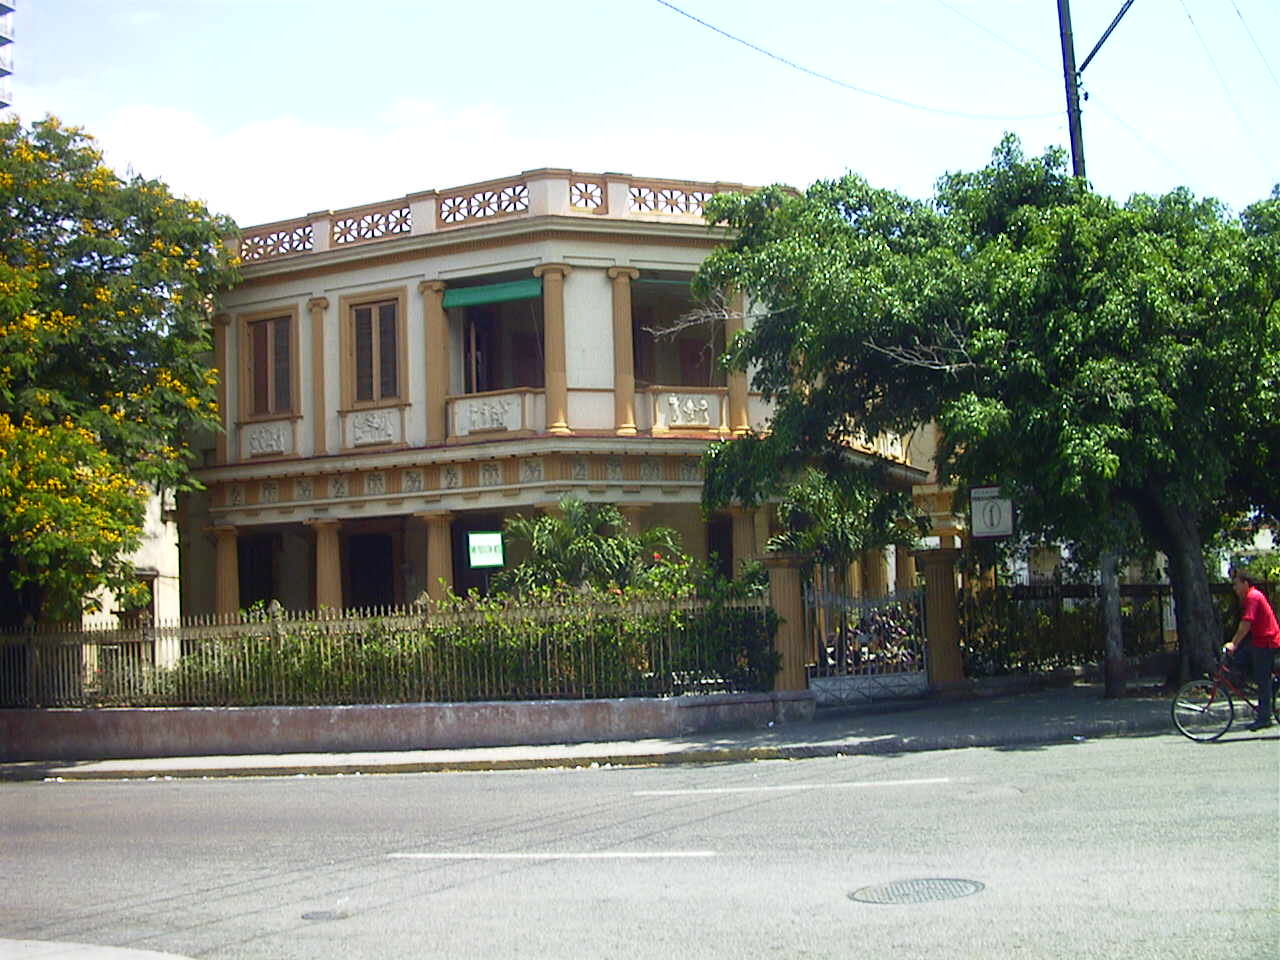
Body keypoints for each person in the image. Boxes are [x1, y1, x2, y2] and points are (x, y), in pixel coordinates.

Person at [1224, 566, 1280, 731]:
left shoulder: (1253, 597)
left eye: (1236, 584)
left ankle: (1264, 717)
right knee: (1243, 660)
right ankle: (1269, 688)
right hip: (1259, 641)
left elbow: (1246, 624)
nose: (1234, 588)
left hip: (1267, 642)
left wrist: (1233, 643)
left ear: (1245, 583)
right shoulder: (1251, 596)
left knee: (1262, 680)